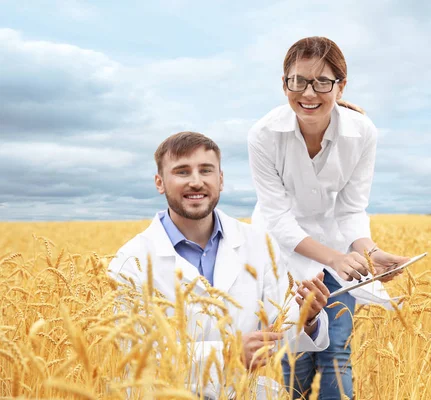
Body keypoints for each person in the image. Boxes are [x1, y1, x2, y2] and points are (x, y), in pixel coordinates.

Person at [108, 131, 331, 399]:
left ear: (221, 179)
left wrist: (307, 319)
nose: (196, 182)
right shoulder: (130, 261)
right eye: (181, 172)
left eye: (206, 171)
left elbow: (276, 328)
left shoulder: (258, 243)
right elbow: (131, 353)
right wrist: (228, 352)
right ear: (160, 182)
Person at [247, 37, 411, 399]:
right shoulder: (263, 135)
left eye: (322, 81)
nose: (309, 92)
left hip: (339, 252)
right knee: (295, 355)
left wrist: (369, 252)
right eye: (298, 80)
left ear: (341, 85)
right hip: (280, 252)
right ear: (284, 83)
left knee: (336, 351)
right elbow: (278, 217)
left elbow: (351, 207)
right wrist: (336, 258)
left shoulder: (362, 131)